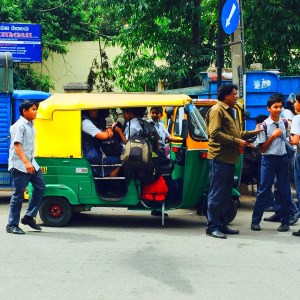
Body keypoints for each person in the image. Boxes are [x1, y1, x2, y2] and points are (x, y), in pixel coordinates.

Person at [205, 83, 261, 239]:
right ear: (226, 96)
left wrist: (252, 133)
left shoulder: (230, 111)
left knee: (225, 194)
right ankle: (212, 226)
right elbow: (214, 134)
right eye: (235, 94)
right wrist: (237, 142)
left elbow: (236, 133)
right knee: (216, 193)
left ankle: (221, 224)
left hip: (229, 158)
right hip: (220, 157)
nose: (237, 96)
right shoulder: (217, 110)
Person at [251, 93, 291, 232]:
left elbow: (288, 141)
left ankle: (285, 222)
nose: (279, 109)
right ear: (269, 108)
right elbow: (262, 149)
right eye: (275, 107)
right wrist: (273, 136)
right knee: (264, 190)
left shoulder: (284, 123)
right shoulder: (264, 126)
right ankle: (255, 221)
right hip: (268, 160)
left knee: (285, 191)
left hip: (283, 159)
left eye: (280, 107)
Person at [6, 100, 46, 234]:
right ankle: (12, 225)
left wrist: (30, 162)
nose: (36, 111)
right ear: (25, 111)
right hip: (20, 165)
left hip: (31, 162)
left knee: (40, 187)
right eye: (33, 109)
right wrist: (26, 163)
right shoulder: (20, 125)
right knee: (18, 195)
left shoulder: (31, 125)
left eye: (36, 109)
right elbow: (17, 145)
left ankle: (29, 217)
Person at [82, 109, 121, 178]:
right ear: (91, 110)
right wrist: (110, 130)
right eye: (96, 110)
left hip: (93, 152)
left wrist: (109, 130)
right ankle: (110, 184)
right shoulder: (86, 123)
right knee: (118, 160)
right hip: (92, 154)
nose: (97, 112)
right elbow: (103, 136)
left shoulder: (89, 121)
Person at [289, 92, 300, 237]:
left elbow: (295, 141)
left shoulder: (297, 118)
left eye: (296, 102)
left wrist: (289, 134)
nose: (294, 105)